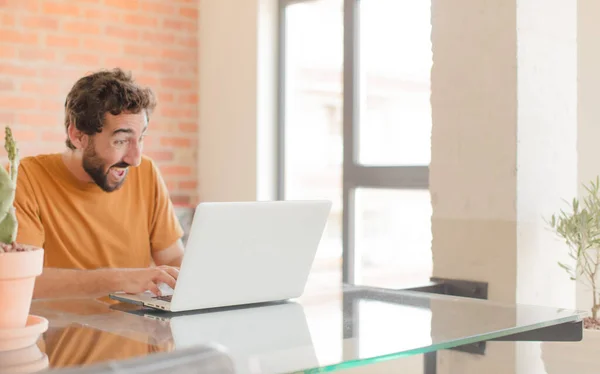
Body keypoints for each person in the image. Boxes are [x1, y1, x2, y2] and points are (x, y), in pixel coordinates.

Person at [15, 68, 185, 299]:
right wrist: (122, 279)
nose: (135, 159)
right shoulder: (26, 178)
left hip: (138, 331)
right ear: (78, 136)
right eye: (121, 140)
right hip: (60, 332)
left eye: (141, 138)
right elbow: (21, 280)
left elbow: (174, 260)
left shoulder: (147, 173)